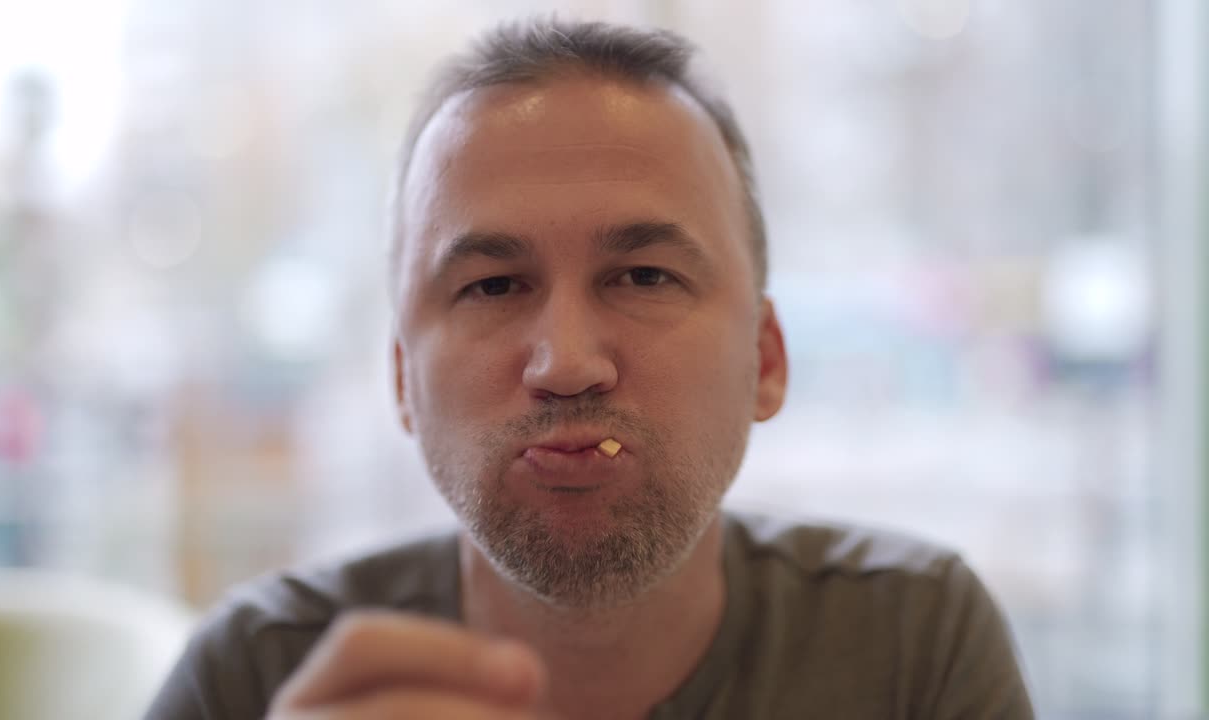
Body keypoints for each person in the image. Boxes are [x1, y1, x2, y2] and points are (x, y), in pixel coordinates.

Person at [145, 17, 1035, 720]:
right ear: (400, 380)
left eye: (645, 276)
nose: (567, 364)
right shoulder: (260, 677)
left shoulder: (913, 641)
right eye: (493, 285)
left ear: (764, 359)